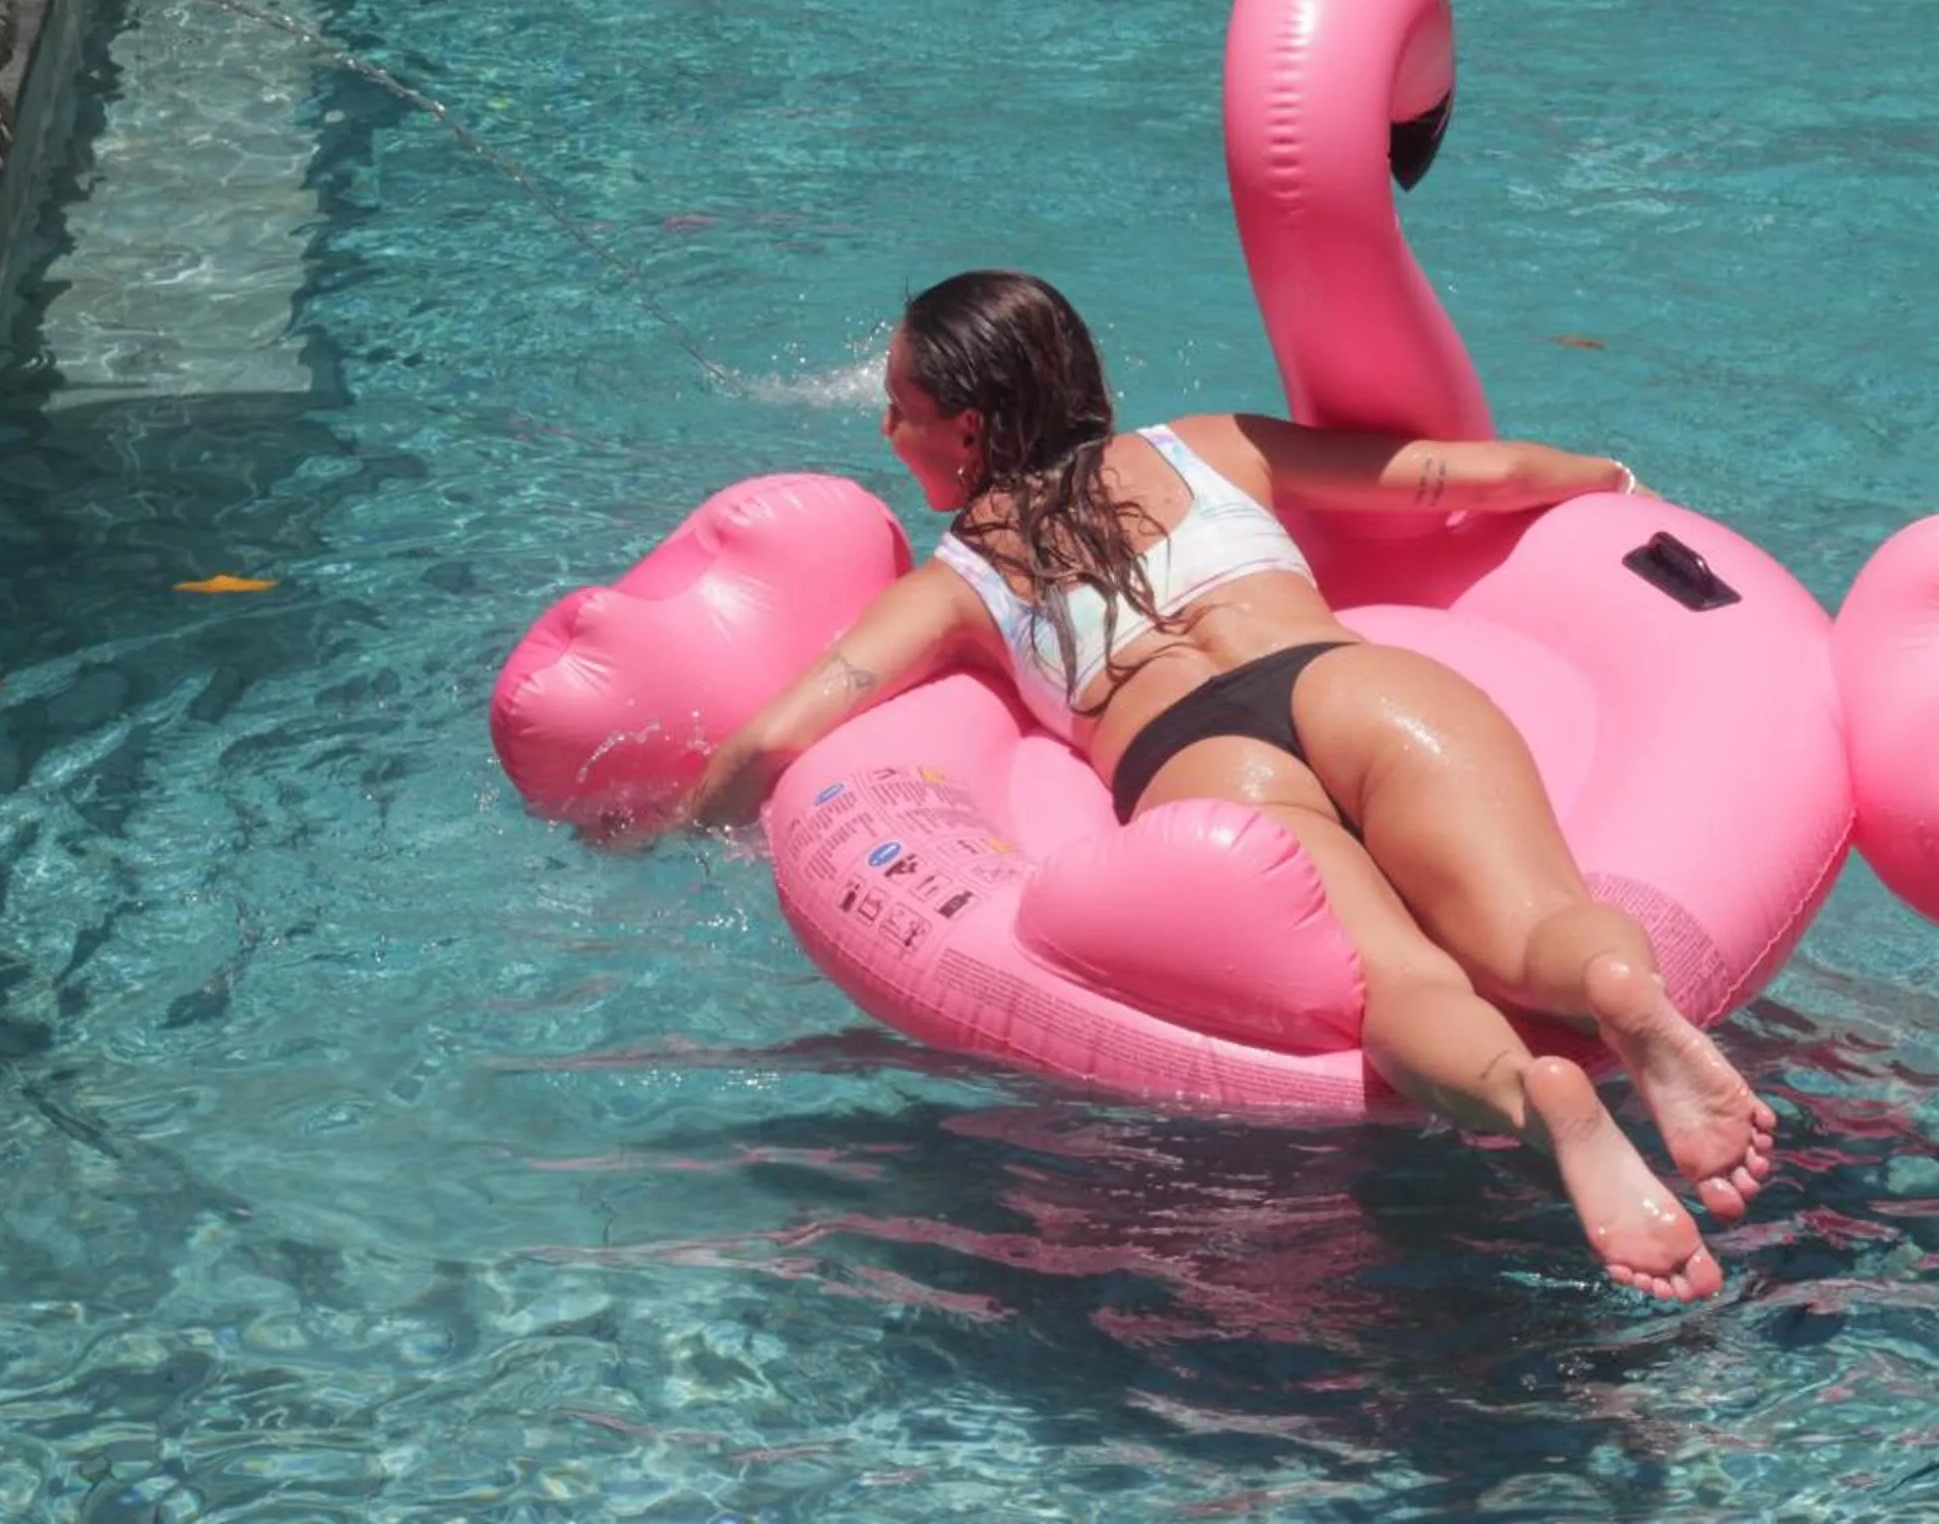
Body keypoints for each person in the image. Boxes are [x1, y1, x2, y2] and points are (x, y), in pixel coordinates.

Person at [673, 270, 1776, 1301]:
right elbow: (1464, 472)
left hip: (1198, 754)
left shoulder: (959, 578)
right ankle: (1617, 990)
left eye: (898, 407)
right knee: (1530, 924)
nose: (887, 429)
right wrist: (1617, 486)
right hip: (1354, 684)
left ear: (966, 429)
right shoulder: (1208, 444)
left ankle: (1537, 1107)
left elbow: (777, 736)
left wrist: (669, 824)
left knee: (1398, 990)